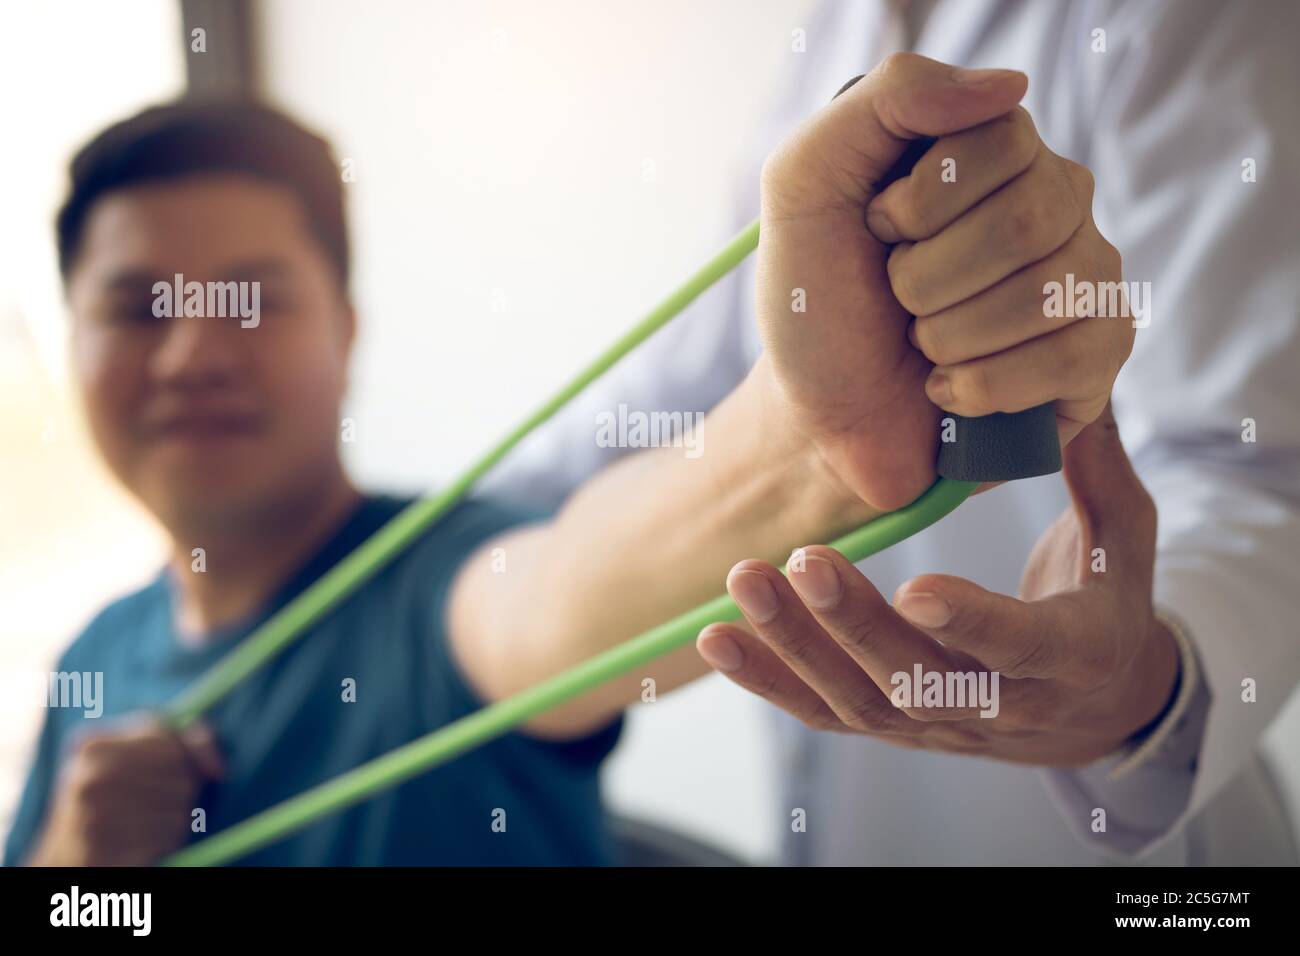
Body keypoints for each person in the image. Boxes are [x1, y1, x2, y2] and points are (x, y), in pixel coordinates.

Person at [7, 51, 1133, 865]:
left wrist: (813, 444)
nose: (197, 346)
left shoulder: (441, 580)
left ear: (347, 328)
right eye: (139, 304)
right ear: (72, 343)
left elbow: (561, 593)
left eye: (254, 300)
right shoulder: (93, 658)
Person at [484, 0, 1300, 865]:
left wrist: (1144, 682)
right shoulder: (831, 32)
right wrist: (460, 558)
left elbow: (1255, 460)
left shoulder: (1182, 19)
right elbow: (698, 377)